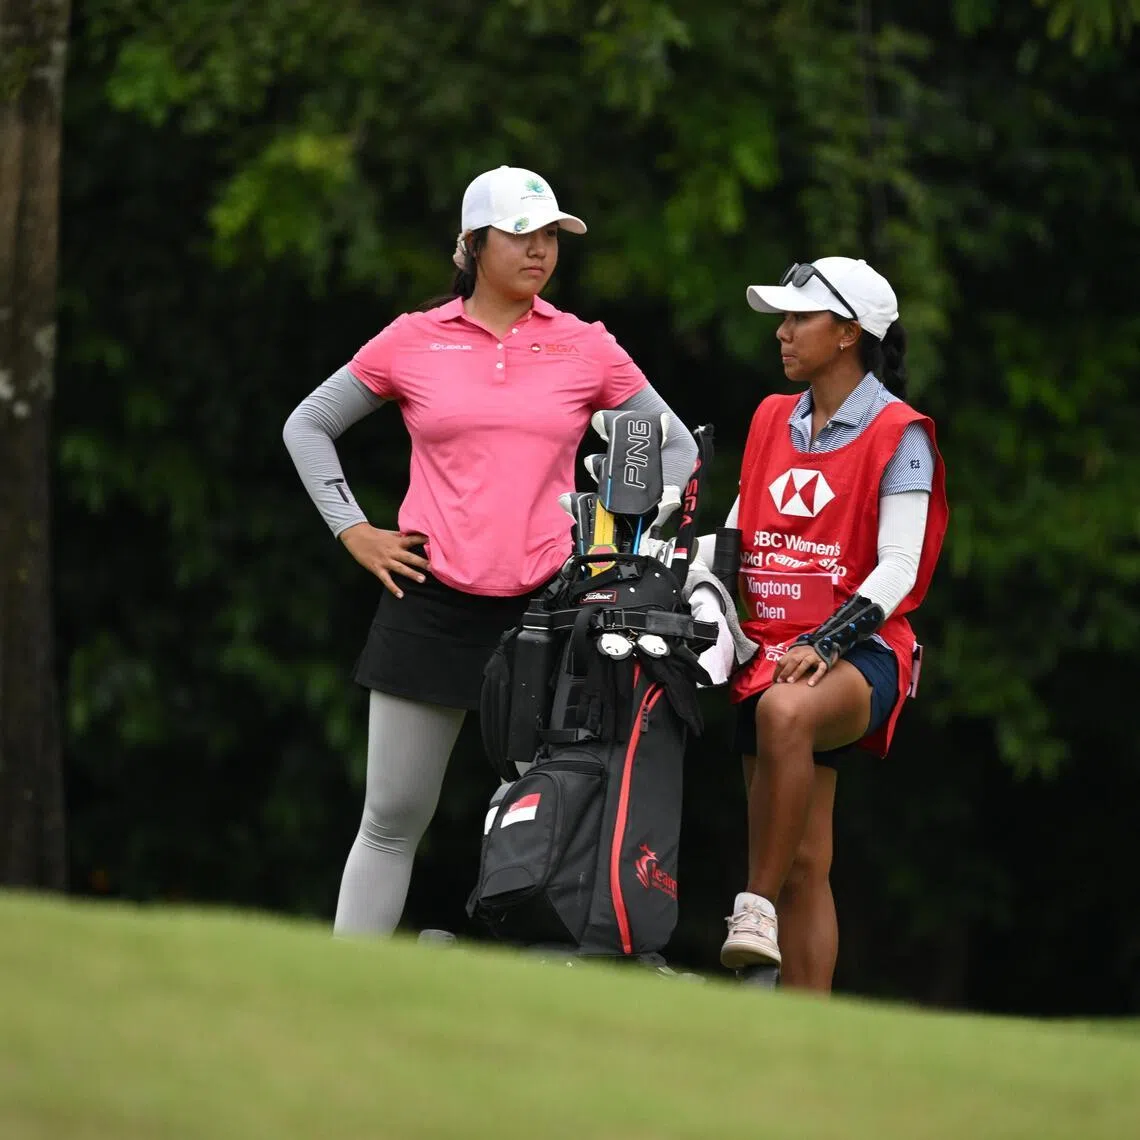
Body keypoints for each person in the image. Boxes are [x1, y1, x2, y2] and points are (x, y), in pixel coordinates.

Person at [283, 165, 697, 937]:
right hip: (429, 600)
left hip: (547, 612)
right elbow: (307, 425)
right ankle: (340, 985)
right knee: (391, 817)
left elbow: (673, 450)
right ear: (473, 246)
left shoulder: (585, 346)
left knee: (548, 816)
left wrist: (616, 540)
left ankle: (524, 995)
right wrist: (354, 529)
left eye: (549, 237)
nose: (539, 251)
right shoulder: (414, 338)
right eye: (520, 235)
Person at [716, 257, 948, 991]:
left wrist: (825, 642)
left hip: (860, 653)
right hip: (769, 648)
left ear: (848, 333)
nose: (781, 333)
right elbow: (736, 533)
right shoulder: (767, 418)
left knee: (785, 714)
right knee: (808, 862)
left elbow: (900, 566)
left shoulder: (897, 432)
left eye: (798, 319)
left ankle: (749, 909)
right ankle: (805, 1040)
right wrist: (701, 596)